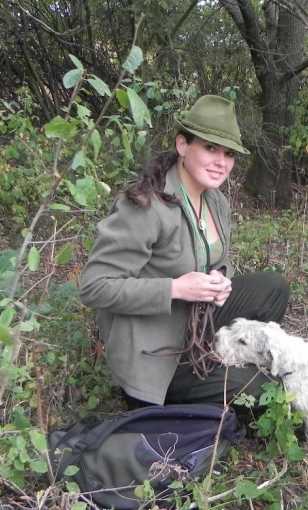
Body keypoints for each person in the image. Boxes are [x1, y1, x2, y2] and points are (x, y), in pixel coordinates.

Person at [80, 95, 289, 408]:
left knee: (273, 288)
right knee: (260, 387)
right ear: (182, 145)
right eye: (210, 148)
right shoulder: (145, 207)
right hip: (157, 352)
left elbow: (215, 260)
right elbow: (94, 287)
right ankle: (188, 398)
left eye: (229, 153)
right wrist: (176, 288)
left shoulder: (215, 201)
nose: (221, 161)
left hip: (197, 326)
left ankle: (230, 358)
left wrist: (220, 279)